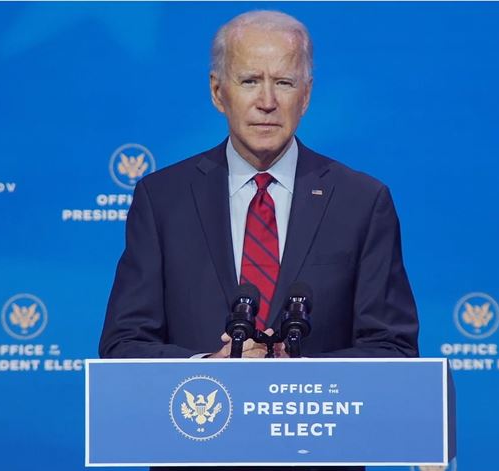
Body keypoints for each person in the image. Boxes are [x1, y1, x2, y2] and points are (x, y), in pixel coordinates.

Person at [100, 10, 418, 362]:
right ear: (218, 92)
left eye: (284, 82)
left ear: (306, 95)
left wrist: (302, 376)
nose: (267, 102)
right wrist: (208, 369)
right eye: (250, 81)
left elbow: (394, 350)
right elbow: (124, 346)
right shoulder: (162, 200)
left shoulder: (361, 202)